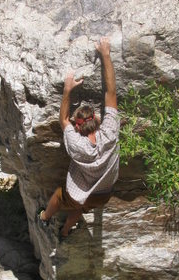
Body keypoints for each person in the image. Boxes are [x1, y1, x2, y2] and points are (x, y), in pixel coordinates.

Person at [36, 36, 119, 239]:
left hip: (81, 193)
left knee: (59, 196)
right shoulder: (109, 132)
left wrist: (67, 90)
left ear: (77, 126)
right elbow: (111, 92)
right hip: (103, 194)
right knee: (80, 206)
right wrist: (106, 55)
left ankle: (44, 218)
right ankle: (65, 231)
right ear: (96, 121)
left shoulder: (76, 144)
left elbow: (63, 119)